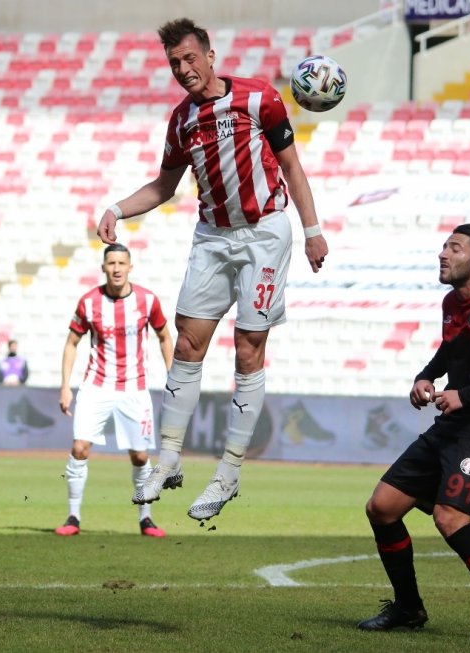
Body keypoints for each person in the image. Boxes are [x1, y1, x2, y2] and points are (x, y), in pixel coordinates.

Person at [96, 18, 328, 522]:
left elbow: (292, 168)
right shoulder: (182, 121)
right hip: (212, 237)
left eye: (189, 58)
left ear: (209, 55)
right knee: (187, 343)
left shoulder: (259, 99)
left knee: (249, 346)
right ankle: (170, 458)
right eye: (175, 63)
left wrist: (312, 231)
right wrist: (116, 208)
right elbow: (163, 186)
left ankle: (229, 471)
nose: (183, 70)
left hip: (266, 232)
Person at [357, 224, 470, 641]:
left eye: (454, 248)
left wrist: (465, 395)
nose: (443, 253)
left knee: (450, 518)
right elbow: (451, 350)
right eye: (443, 245)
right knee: (381, 507)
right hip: (452, 427)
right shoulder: (452, 303)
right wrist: (426, 376)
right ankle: (408, 607)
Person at [55, 243, 173, 537]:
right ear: (104, 267)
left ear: (130, 267)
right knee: (79, 447)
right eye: (112, 263)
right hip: (96, 386)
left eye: (122, 263)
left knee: (140, 457)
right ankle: (73, 516)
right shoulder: (89, 302)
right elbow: (71, 343)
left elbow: (164, 337)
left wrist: (175, 377)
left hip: (134, 388)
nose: (117, 268)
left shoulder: (147, 301)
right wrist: (65, 387)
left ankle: (146, 518)